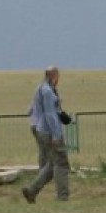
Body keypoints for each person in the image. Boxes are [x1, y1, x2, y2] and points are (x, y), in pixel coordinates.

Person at [23, 66, 71, 202]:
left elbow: (30, 109)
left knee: (51, 164)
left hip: (40, 129)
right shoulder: (48, 91)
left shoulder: (39, 89)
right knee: (61, 164)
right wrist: (56, 134)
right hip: (50, 131)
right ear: (54, 76)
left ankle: (31, 191)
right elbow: (50, 114)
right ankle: (63, 196)